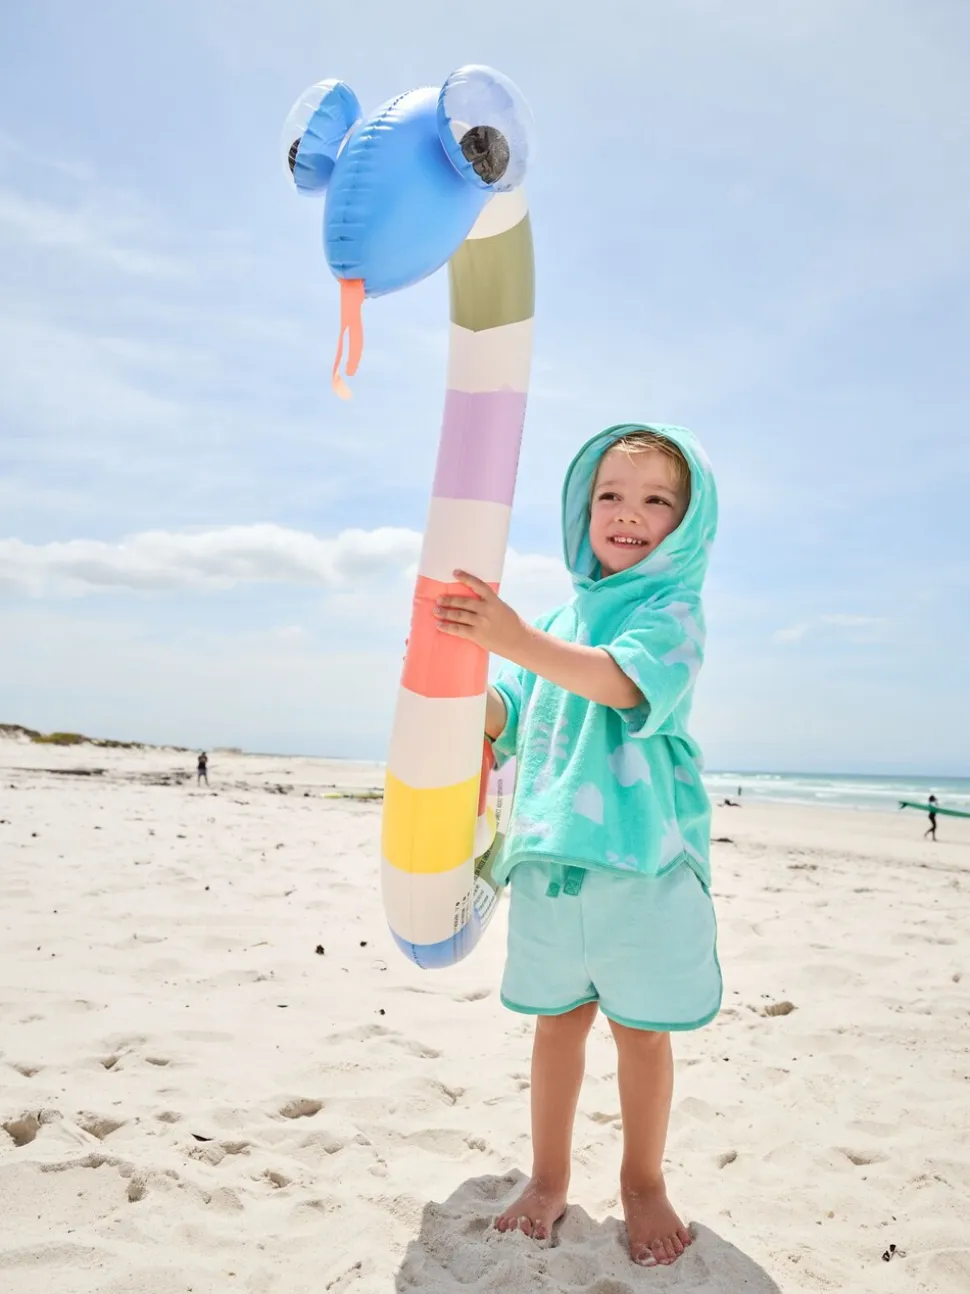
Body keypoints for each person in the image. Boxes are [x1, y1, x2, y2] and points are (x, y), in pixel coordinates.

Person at [434, 424, 720, 1268]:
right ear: (582, 511)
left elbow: (620, 681)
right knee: (556, 1024)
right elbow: (513, 715)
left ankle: (642, 1182)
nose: (628, 513)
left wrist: (514, 639)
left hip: (644, 862)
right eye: (610, 496)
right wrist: (455, 678)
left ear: (687, 524)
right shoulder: (560, 619)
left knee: (642, 1031)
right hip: (553, 855)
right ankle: (549, 1176)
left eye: (656, 500)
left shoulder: (672, 612)